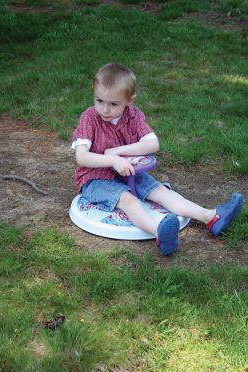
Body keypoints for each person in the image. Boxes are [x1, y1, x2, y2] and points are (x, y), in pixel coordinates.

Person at [71, 63, 243, 256]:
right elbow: (82, 157)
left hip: (130, 173)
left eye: (113, 104)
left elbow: (153, 144)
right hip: (95, 178)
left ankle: (211, 217)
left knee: (161, 192)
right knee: (129, 201)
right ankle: (160, 234)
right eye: (99, 100)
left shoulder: (134, 116)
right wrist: (112, 161)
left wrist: (117, 152)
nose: (105, 109)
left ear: (129, 101)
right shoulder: (89, 118)